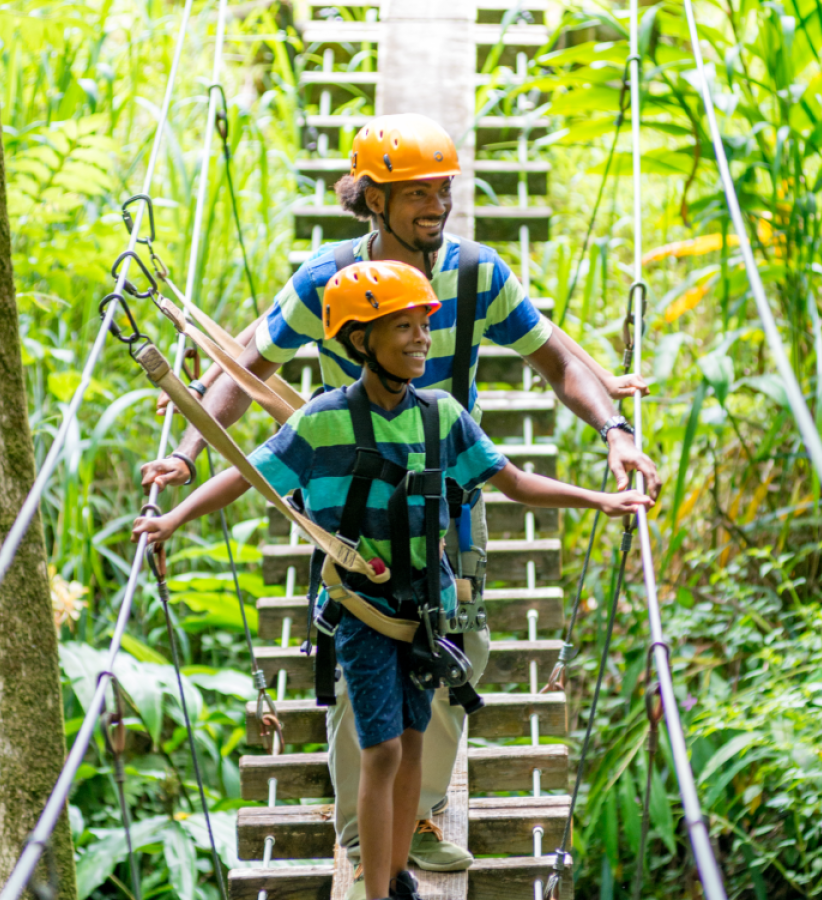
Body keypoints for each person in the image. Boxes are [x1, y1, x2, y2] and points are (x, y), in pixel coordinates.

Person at [139, 113, 662, 893]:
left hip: (447, 480)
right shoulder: (328, 284)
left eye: (441, 189)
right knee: (366, 660)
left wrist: (615, 429)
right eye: (415, 192)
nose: (434, 205)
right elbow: (246, 365)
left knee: (457, 653)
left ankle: (410, 810)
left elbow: (556, 361)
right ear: (371, 200)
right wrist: (184, 456)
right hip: (355, 499)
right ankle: (364, 831)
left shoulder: (476, 274)